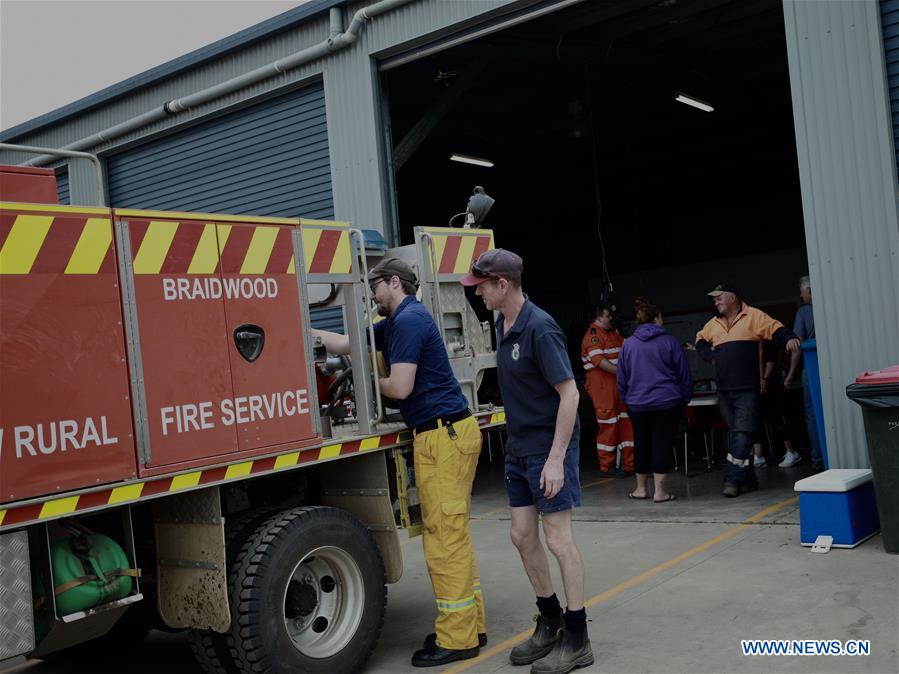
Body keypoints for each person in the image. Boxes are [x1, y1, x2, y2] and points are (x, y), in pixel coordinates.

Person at [313, 257, 485, 667]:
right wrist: (308, 333)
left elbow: (400, 387)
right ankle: (467, 625)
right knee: (452, 536)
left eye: (373, 287)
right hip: (444, 434)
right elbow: (347, 342)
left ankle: (458, 639)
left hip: (443, 437)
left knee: (444, 541)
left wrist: (365, 379)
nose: (371, 295)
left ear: (394, 283)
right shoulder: (395, 322)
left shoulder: (408, 322)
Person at [461, 249, 594, 674]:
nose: (476, 292)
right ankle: (550, 618)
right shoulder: (503, 324)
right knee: (522, 536)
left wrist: (555, 459)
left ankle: (578, 636)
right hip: (519, 449)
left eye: (481, 286)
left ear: (502, 284)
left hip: (547, 449)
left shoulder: (540, 328)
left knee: (558, 539)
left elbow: (570, 394)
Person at [695, 283, 800, 497]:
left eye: (719, 298)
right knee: (738, 435)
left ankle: (732, 478)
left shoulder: (753, 316)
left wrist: (789, 337)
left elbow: (775, 329)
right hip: (724, 390)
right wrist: (710, 356)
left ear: (732, 297)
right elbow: (700, 340)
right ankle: (749, 479)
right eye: (714, 299)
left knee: (742, 434)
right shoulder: (713, 323)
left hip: (748, 389)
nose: (715, 302)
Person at [617, 298, 692, 503]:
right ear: (657, 317)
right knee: (662, 444)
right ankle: (660, 492)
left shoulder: (628, 344)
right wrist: (684, 398)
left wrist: (628, 398)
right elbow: (683, 373)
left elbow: (621, 377)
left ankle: (641, 489)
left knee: (641, 443)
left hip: (637, 404)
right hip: (667, 402)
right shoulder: (670, 341)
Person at [581, 306, 634, 476]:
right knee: (608, 425)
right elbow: (600, 362)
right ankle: (607, 466)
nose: (610, 318)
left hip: (618, 385)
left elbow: (628, 347)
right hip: (602, 386)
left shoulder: (613, 333)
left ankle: (630, 464)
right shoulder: (593, 336)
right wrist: (622, 372)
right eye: (607, 315)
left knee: (627, 423)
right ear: (598, 317)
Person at [783, 275, 822, 470]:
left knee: (812, 413)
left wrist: (791, 374)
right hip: (833, 365)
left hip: (813, 367)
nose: (800, 294)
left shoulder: (804, 312)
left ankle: (818, 460)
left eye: (802, 291)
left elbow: (797, 345)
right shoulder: (831, 306)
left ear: (810, 291)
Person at [751, 341, 796, 468]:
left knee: (777, 419)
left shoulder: (766, 341)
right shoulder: (749, 341)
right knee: (756, 420)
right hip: (755, 386)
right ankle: (758, 455)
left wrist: (764, 379)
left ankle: (791, 452)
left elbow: (770, 361)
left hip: (770, 386)